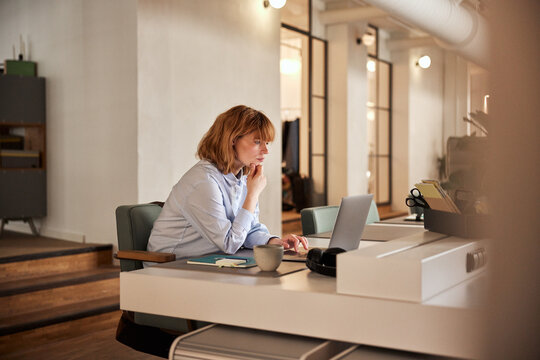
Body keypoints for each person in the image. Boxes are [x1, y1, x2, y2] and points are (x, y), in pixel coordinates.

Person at [147, 105, 308, 261]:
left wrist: (274, 242)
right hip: (170, 265)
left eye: (267, 143)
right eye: (258, 141)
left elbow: (248, 230)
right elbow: (230, 243)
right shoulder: (203, 182)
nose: (266, 150)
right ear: (232, 140)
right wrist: (253, 194)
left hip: (211, 260)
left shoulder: (243, 177)